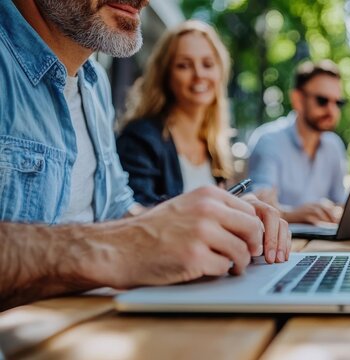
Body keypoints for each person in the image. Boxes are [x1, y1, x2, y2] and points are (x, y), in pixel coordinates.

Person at [0, 0, 290, 312]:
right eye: (184, 65)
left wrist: (218, 220)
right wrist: (118, 246)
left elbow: (120, 210)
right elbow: (124, 236)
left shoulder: (93, 85)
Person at [117, 20, 233, 206]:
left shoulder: (213, 144)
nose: (199, 74)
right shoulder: (140, 138)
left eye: (208, 64)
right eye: (184, 65)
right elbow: (136, 214)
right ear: (165, 75)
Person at [247, 60, 347, 224]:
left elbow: (340, 200)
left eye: (338, 102)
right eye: (322, 100)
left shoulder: (334, 146)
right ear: (298, 100)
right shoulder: (269, 140)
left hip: (324, 244)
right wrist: (293, 214)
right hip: (280, 244)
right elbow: (259, 205)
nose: (332, 110)